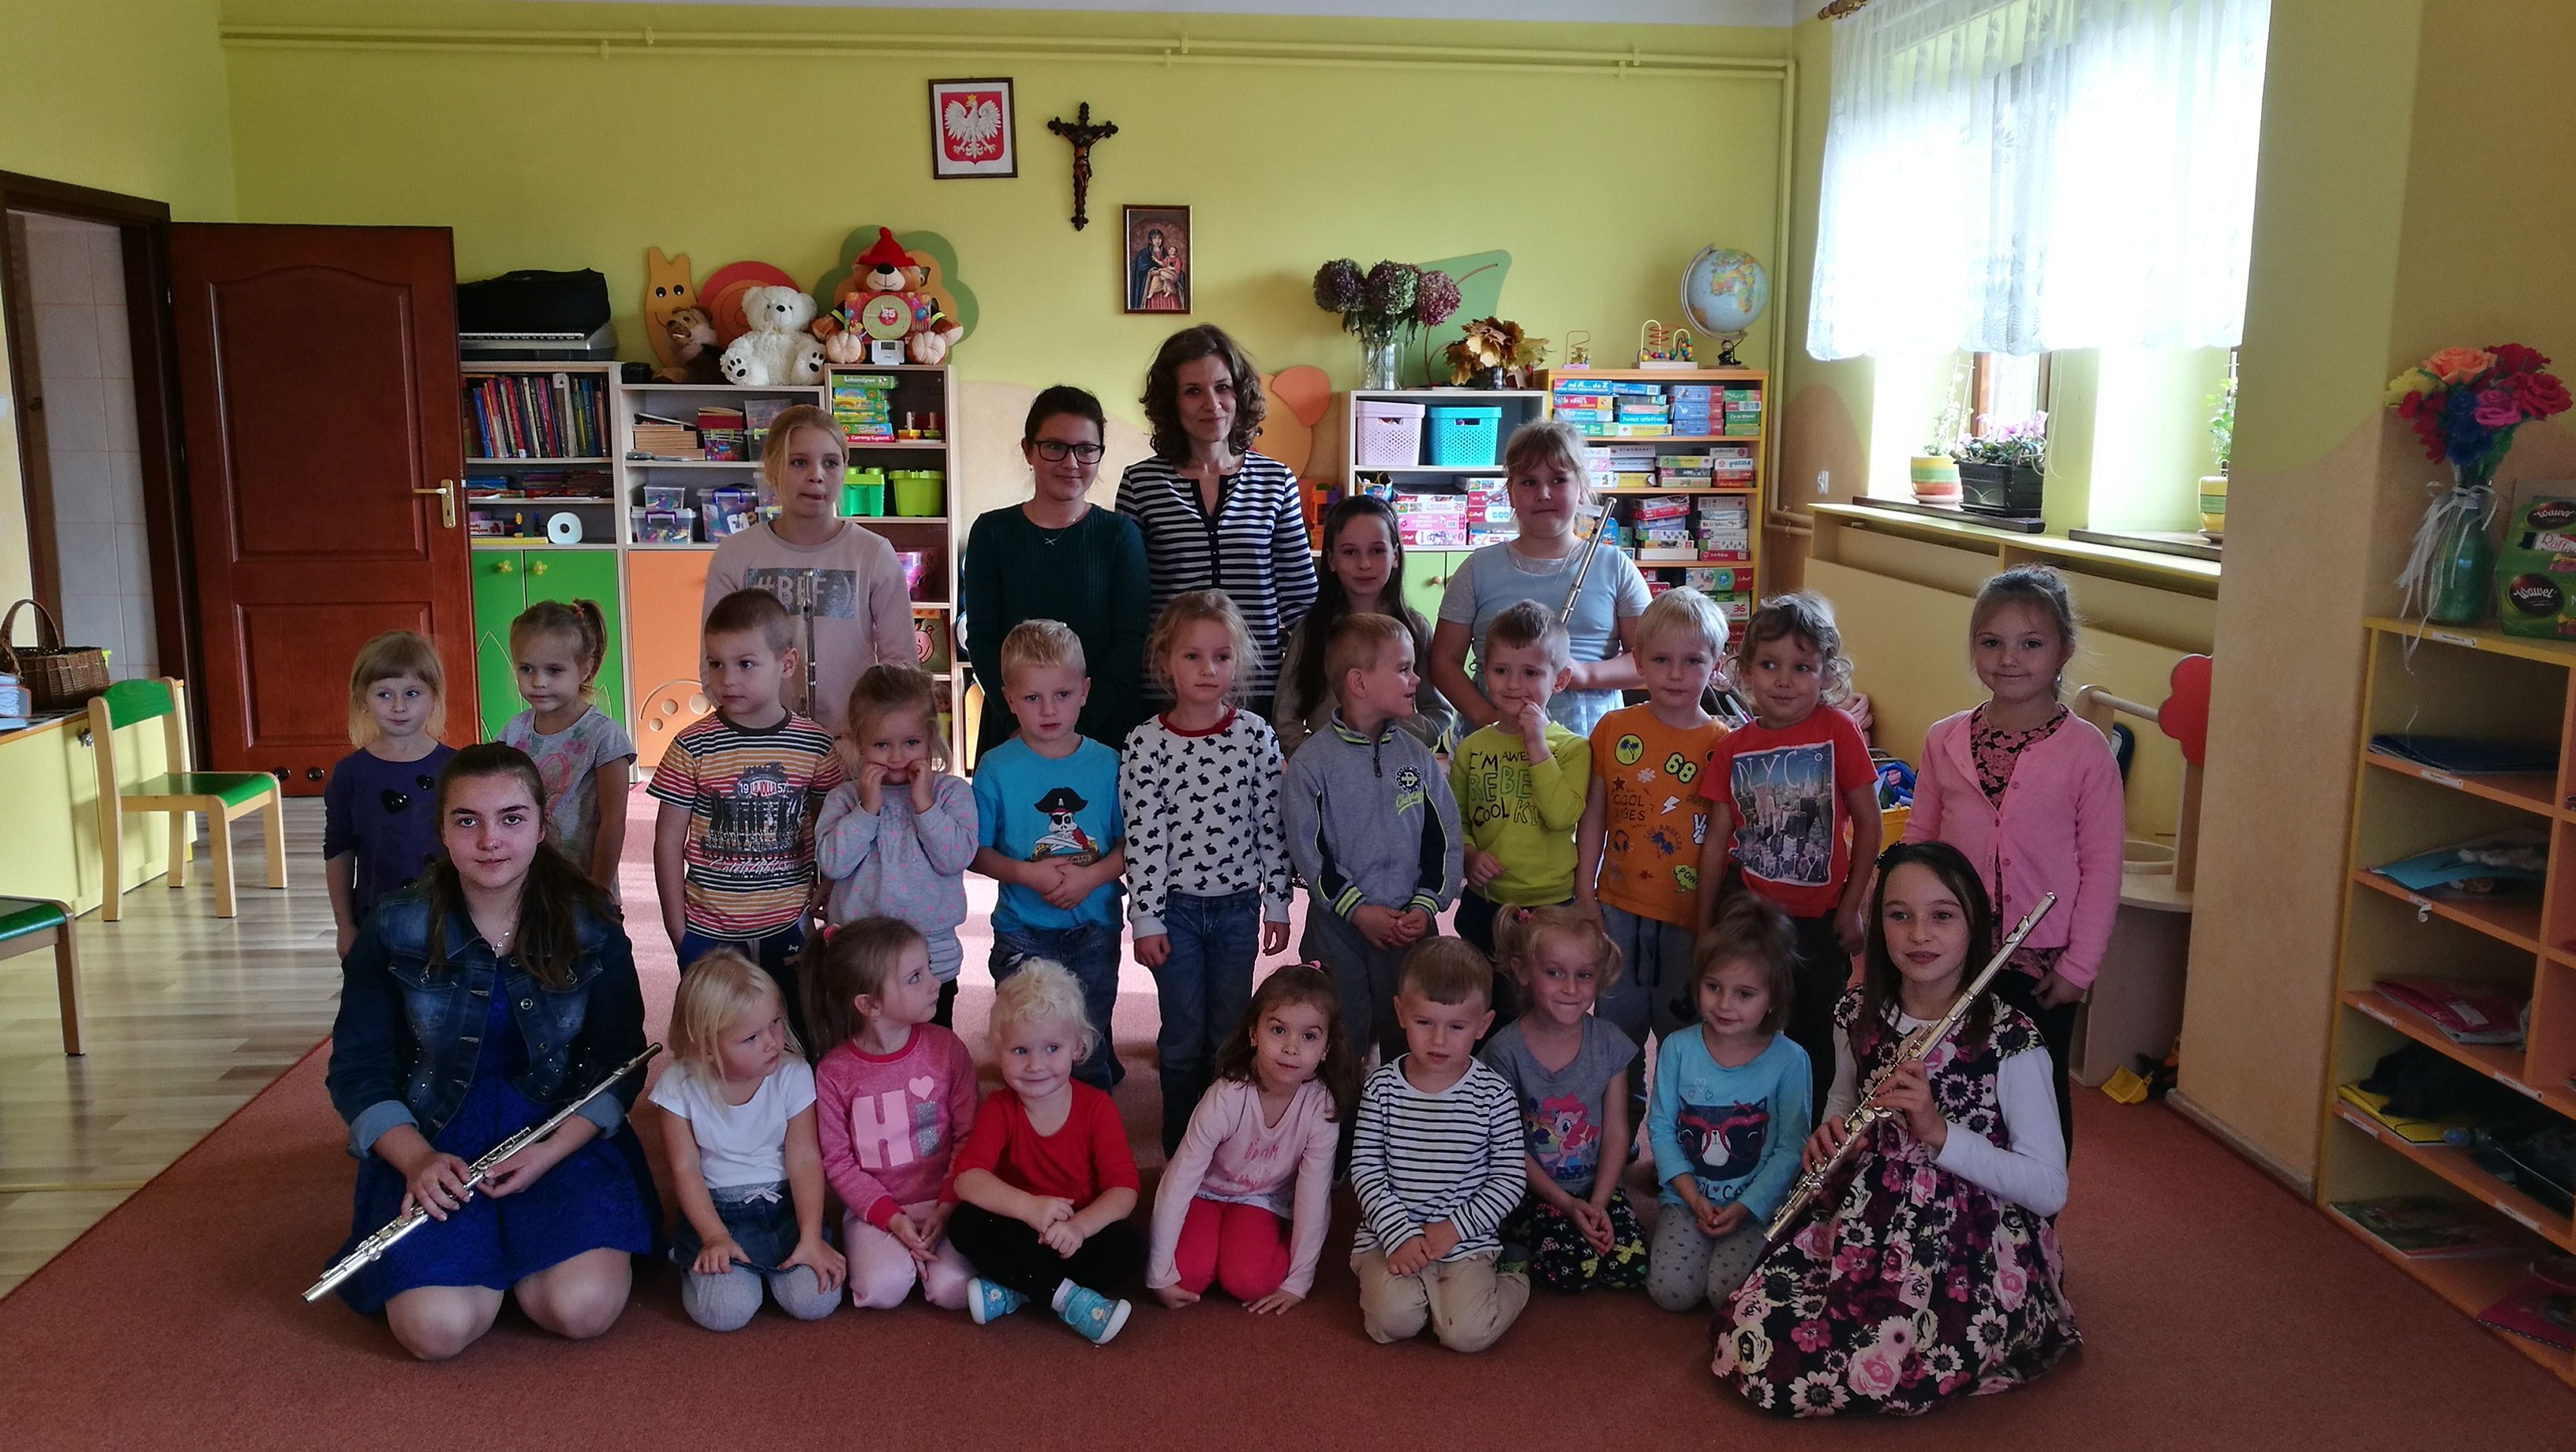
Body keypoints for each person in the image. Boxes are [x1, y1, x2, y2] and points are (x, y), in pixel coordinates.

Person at [1713, 842, 2077, 1416]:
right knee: (1753, 1334)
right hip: (1865, 1208)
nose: (1919, 934)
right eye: (1899, 914)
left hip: (1967, 1232)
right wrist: (1830, 1132)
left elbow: (2049, 1188)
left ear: (1975, 925)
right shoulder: (1857, 1012)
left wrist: (1939, 1133)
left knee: (1878, 1362)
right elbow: (1842, 1098)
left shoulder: (2013, 1040)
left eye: (1942, 915)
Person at [321, 743, 653, 1360]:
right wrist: (417, 1160)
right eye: (467, 820)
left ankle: (523, 1259)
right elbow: (356, 1069)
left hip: (554, 1130)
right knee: (435, 1331)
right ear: (442, 830)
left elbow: (619, 1059)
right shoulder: (393, 924)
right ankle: (490, 1264)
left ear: (542, 825)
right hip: (435, 1133)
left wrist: (554, 1150)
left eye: (511, 818)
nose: (490, 840)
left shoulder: (591, 921)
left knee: (581, 1309)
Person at [1904, 565, 2121, 1156]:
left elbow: (2102, 868)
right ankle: (1958, 1198)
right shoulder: (1945, 738)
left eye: (2031, 644)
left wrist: (2079, 968)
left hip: (2040, 963)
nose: (2009, 659)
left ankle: (2036, 1205)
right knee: (1954, 1081)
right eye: (1991, 642)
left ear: (2064, 650)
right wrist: (1893, 916)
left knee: (2036, 1093)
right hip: (1954, 947)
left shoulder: (2087, 752)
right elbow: (1918, 839)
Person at [1119, 591, 1292, 1154]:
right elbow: (1144, 837)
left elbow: (1271, 826)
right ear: (1166, 661)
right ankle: (1180, 1146)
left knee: (1229, 1031)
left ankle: (1224, 1140)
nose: (1207, 669)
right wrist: (1146, 918)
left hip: (1238, 907)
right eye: (1192, 656)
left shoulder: (1256, 736)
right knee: (1182, 1034)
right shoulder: (1145, 743)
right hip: (1176, 913)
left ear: (1238, 662)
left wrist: (1277, 902)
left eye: (1221, 656)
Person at [1694, 592, 1879, 1110]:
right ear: (1745, 672)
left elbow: (1869, 824)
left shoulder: (1838, 730)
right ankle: (1745, 1122)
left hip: (1819, 922)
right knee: (1742, 1027)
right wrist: (1704, 925)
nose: (1783, 680)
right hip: (1749, 917)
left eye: (1802, 667)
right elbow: (1716, 843)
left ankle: (1806, 1139)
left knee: (1812, 1035)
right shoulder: (1732, 747)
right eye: (1769, 665)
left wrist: (1852, 906)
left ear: (1825, 674)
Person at [650, 588, 843, 1047]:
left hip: (789, 925)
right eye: (716, 664)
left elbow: (834, 832)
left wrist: (831, 887)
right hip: (709, 930)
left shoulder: (815, 745)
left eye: (745, 664)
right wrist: (678, 931)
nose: (727, 679)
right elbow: (667, 842)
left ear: (787, 663)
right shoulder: (691, 745)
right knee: (715, 1045)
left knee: (797, 1038)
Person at [1283, 612, 1463, 1063]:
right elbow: (1309, 853)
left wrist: (1426, 904)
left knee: (1411, 1034)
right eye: (1404, 669)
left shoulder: (1418, 757)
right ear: (1359, 683)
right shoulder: (1311, 764)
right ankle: (1343, 1112)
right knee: (1342, 1038)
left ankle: (1400, 1109)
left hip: (1409, 926)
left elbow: (1443, 839)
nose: (1416, 679)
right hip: (1338, 929)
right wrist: (1357, 910)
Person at [1114, 325, 1317, 716]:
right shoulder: (1141, 483)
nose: (1213, 404)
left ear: (1239, 393)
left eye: (1223, 387)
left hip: (1257, 690)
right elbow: (1130, 602)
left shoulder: (1276, 480)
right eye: (1193, 391)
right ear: (1171, 402)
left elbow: (1301, 601)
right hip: (1167, 692)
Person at [944, 959, 1146, 1344]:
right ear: (999, 1053)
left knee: (1130, 1246)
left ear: (1077, 1048)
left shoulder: (1096, 1108)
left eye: (1052, 1048)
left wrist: (1079, 1227)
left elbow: (1123, 1190)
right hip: (1020, 1228)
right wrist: (1030, 1209)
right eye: (1020, 1050)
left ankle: (1021, 1288)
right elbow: (967, 1180)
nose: (1036, 1065)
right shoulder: (1000, 1108)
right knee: (965, 1223)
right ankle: (1067, 1298)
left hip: (1076, 1232)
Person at [1348, 938, 1530, 1353]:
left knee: (1466, 1335)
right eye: (1424, 1022)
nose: (1438, 1040)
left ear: (1483, 1025)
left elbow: (1508, 1180)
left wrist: (1455, 1229)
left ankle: (1514, 1278)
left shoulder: (1494, 1095)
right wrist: (1398, 1233)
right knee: (1392, 1321)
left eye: (1456, 1027)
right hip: (1389, 1237)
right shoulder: (1381, 1088)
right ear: (1400, 1014)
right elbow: (1367, 1171)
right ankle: (1430, 1299)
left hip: (1464, 1240)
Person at [970, 619, 1127, 1090]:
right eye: (1033, 697)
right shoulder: (995, 768)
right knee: (1029, 1048)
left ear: (1085, 691)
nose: (1049, 709)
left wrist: (1090, 877)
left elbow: (1133, 845)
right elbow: (974, 852)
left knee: (1086, 1046)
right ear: (1009, 699)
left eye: (1062, 694)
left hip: (1094, 928)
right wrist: (1026, 873)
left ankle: (1091, 1125)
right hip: (1022, 931)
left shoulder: (1109, 764)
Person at [652, 949, 844, 1330]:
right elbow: (685, 1169)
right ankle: (699, 1261)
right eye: (751, 1037)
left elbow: (805, 1158)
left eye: (775, 1022)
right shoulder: (677, 1086)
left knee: (816, 1300)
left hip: (785, 1206)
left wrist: (810, 1237)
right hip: (717, 1211)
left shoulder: (793, 1073)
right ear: (706, 1048)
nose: (773, 1042)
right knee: (726, 1312)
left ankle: (772, 1266)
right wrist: (713, 1237)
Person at [1147, 964, 1354, 1315]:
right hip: (1204, 1190)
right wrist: (1158, 1272)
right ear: (1254, 1034)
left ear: (1326, 1048)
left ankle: (1267, 1239)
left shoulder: (1321, 1107)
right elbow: (1180, 1179)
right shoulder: (1227, 1096)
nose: (1291, 1048)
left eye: (1309, 1036)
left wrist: (1297, 1282)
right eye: (1278, 1030)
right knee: (1185, 1275)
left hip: (1261, 1199)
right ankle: (1214, 1246)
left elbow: (1314, 1196)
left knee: (1249, 1281)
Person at [1579, 586, 1729, 1061]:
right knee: (1615, 1031)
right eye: (1662, 659)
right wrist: (1585, 890)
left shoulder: (1722, 743)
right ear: (1639, 661)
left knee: (1683, 1035)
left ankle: (1676, 1111)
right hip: (1617, 903)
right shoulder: (1613, 729)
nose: (1676, 674)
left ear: (1716, 665)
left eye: (1693, 661)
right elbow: (1594, 815)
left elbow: (1720, 840)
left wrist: (1708, 920)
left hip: (1687, 913)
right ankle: (1618, 1111)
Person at [961, 387, 1151, 756]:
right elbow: (982, 639)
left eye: (1086, 449)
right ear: (1028, 450)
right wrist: (1020, 722)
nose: (1071, 462)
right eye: (1054, 447)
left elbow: (1131, 641)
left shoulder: (1119, 535)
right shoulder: (991, 532)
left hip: (1103, 735)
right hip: (1014, 732)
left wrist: (1076, 729)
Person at [704, 402, 915, 733]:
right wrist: (754, 737)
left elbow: (901, 666)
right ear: (773, 470)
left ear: (844, 470)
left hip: (852, 743)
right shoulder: (735, 555)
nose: (816, 475)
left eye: (830, 463)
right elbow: (713, 665)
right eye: (799, 462)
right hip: (760, 743)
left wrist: (870, 739)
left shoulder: (873, 553)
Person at [1431, 419, 1648, 739]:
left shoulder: (1616, 567)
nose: (1543, 494)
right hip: (1499, 745)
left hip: (1591, 743)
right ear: (1511, 493)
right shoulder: (1477, 569)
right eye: (1529, 482)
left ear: (1581, 488)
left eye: (1558, 480)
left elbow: (1650, 661)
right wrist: (1487, 718)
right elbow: (1443, 662)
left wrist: (1586, 674)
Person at [805, 917, 979, 1314]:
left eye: (928, 968)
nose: (935, 982)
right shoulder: (833, 1073)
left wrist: (948, 1204)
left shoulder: (948, 1049)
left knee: (955, 1291)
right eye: (915, 977)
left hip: (947, 1200)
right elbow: (838, 1162)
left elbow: (969, 1136)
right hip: (875, 1211)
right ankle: (901, 1258)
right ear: (869, 1005)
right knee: (882, 1289)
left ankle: (927, 1259)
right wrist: (891, 1218)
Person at [1645, 897, 1809, 1315]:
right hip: (1687, 1199)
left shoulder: (1791, 1060)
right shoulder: (1678, 1048)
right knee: (1670, 1292)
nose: (1724, 1005)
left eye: (1745, 994)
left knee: (1728, 1294)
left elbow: (1791, 1147)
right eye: (1713, 987)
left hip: (1754, 1206)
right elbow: (1661, 1129)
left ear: (1773, 997)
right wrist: (1691, 1198)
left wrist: (1745, 1207)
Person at [1477, 905, 1649, 1295]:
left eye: (1584, 975)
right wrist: (1567, 1205)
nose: (1571, 989)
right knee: (1573, 1270)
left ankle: (1581, 1223)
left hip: (1596, 1187)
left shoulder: (1609, 1043)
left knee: (1633, 1266)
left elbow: (1616, 1132)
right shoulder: (1504, 1052)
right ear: (1523, 972)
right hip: (1532, 1191)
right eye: (1554, 973)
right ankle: (1514, 1246)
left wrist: (1599, 1202)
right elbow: (1506, 1147)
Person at [815, 664, 978, 1028]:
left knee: (933, 1047)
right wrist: (867, 809)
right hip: (862, 958)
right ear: (859, 743)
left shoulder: (950, 793)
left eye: (911, 743)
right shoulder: (845, 798)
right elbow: (833, 864)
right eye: (881, 745)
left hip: (932, 957)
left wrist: (925, 805)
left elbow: (956, 858)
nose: (896, 757)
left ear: (930, 738)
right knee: (863, 1046)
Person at [1447, 601, 1591, 992]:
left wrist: (1536, 743)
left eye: (1530, 673)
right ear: (1484, 673)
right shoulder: (1471, 748)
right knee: (1483, 993)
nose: (1513, 684)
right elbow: (1454, 817)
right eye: (1501, 671)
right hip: (1486, 898)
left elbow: (1561, 816)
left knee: (1545, 996)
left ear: (1559, 679)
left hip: (1552, 903)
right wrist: (1469, 854)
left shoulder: (1573, 749)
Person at [1272, 493, 1452, 758]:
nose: (1364, 564)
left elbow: (1438, 710)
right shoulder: (1313, 630)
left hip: (1396, 767)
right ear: (1331, 560)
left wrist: (1401, 742)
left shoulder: (1414, 629)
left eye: (1377, 551)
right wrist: (1314, 759)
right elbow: (1285, 715)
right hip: (1329, 771)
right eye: (1350, 552)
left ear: (1395, 556)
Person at [324, 631, 456, 957]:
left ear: (434, 696)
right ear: (362, 699)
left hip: (448, 923)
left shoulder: (457, 768)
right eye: (384, 694)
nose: (399, 706)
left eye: (412, 693)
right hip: (375, 923)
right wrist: (344, 926)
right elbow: (339, 851)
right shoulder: (349, 774)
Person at [500, 599, 635, 895]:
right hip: (524, 888)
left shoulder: (604, 736)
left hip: (582, 886)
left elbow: (613, 823)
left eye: (554, 670)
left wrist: (598, 892)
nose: (539, 682)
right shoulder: (512, 732)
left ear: (585, 669)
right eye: (526, 669)